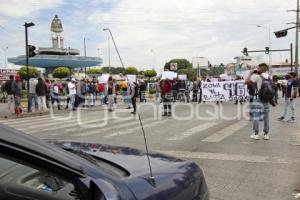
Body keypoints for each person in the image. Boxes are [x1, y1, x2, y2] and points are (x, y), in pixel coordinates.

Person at [245, 63, 272, 140]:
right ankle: (266, 134)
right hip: (266, 99)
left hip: (258, 99)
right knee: (266, 117)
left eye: (258, 68)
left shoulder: (257, 76)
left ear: (261, 69)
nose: (257, 69)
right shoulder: (269, 77)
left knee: (256, 116)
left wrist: (250, 74)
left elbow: (246, 82)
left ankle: (256, 134)